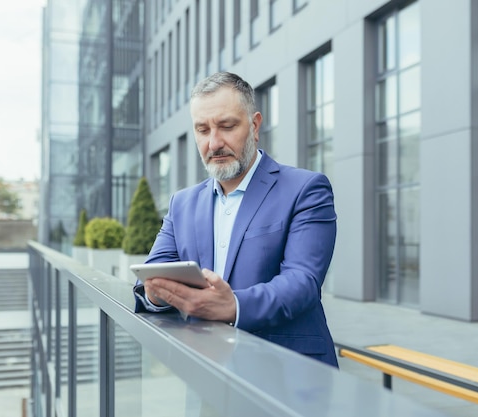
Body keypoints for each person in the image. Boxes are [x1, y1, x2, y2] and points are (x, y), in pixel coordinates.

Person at [133, 71, 338, 368]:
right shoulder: (181, 204)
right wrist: (157, 294)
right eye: (202, 130)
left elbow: (302, 282)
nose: (214, 142)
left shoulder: (305, 189)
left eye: (227, 126)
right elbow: (151, 276)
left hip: (290, 375)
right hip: (208, 373)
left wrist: (233, 306)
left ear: (254, 126)